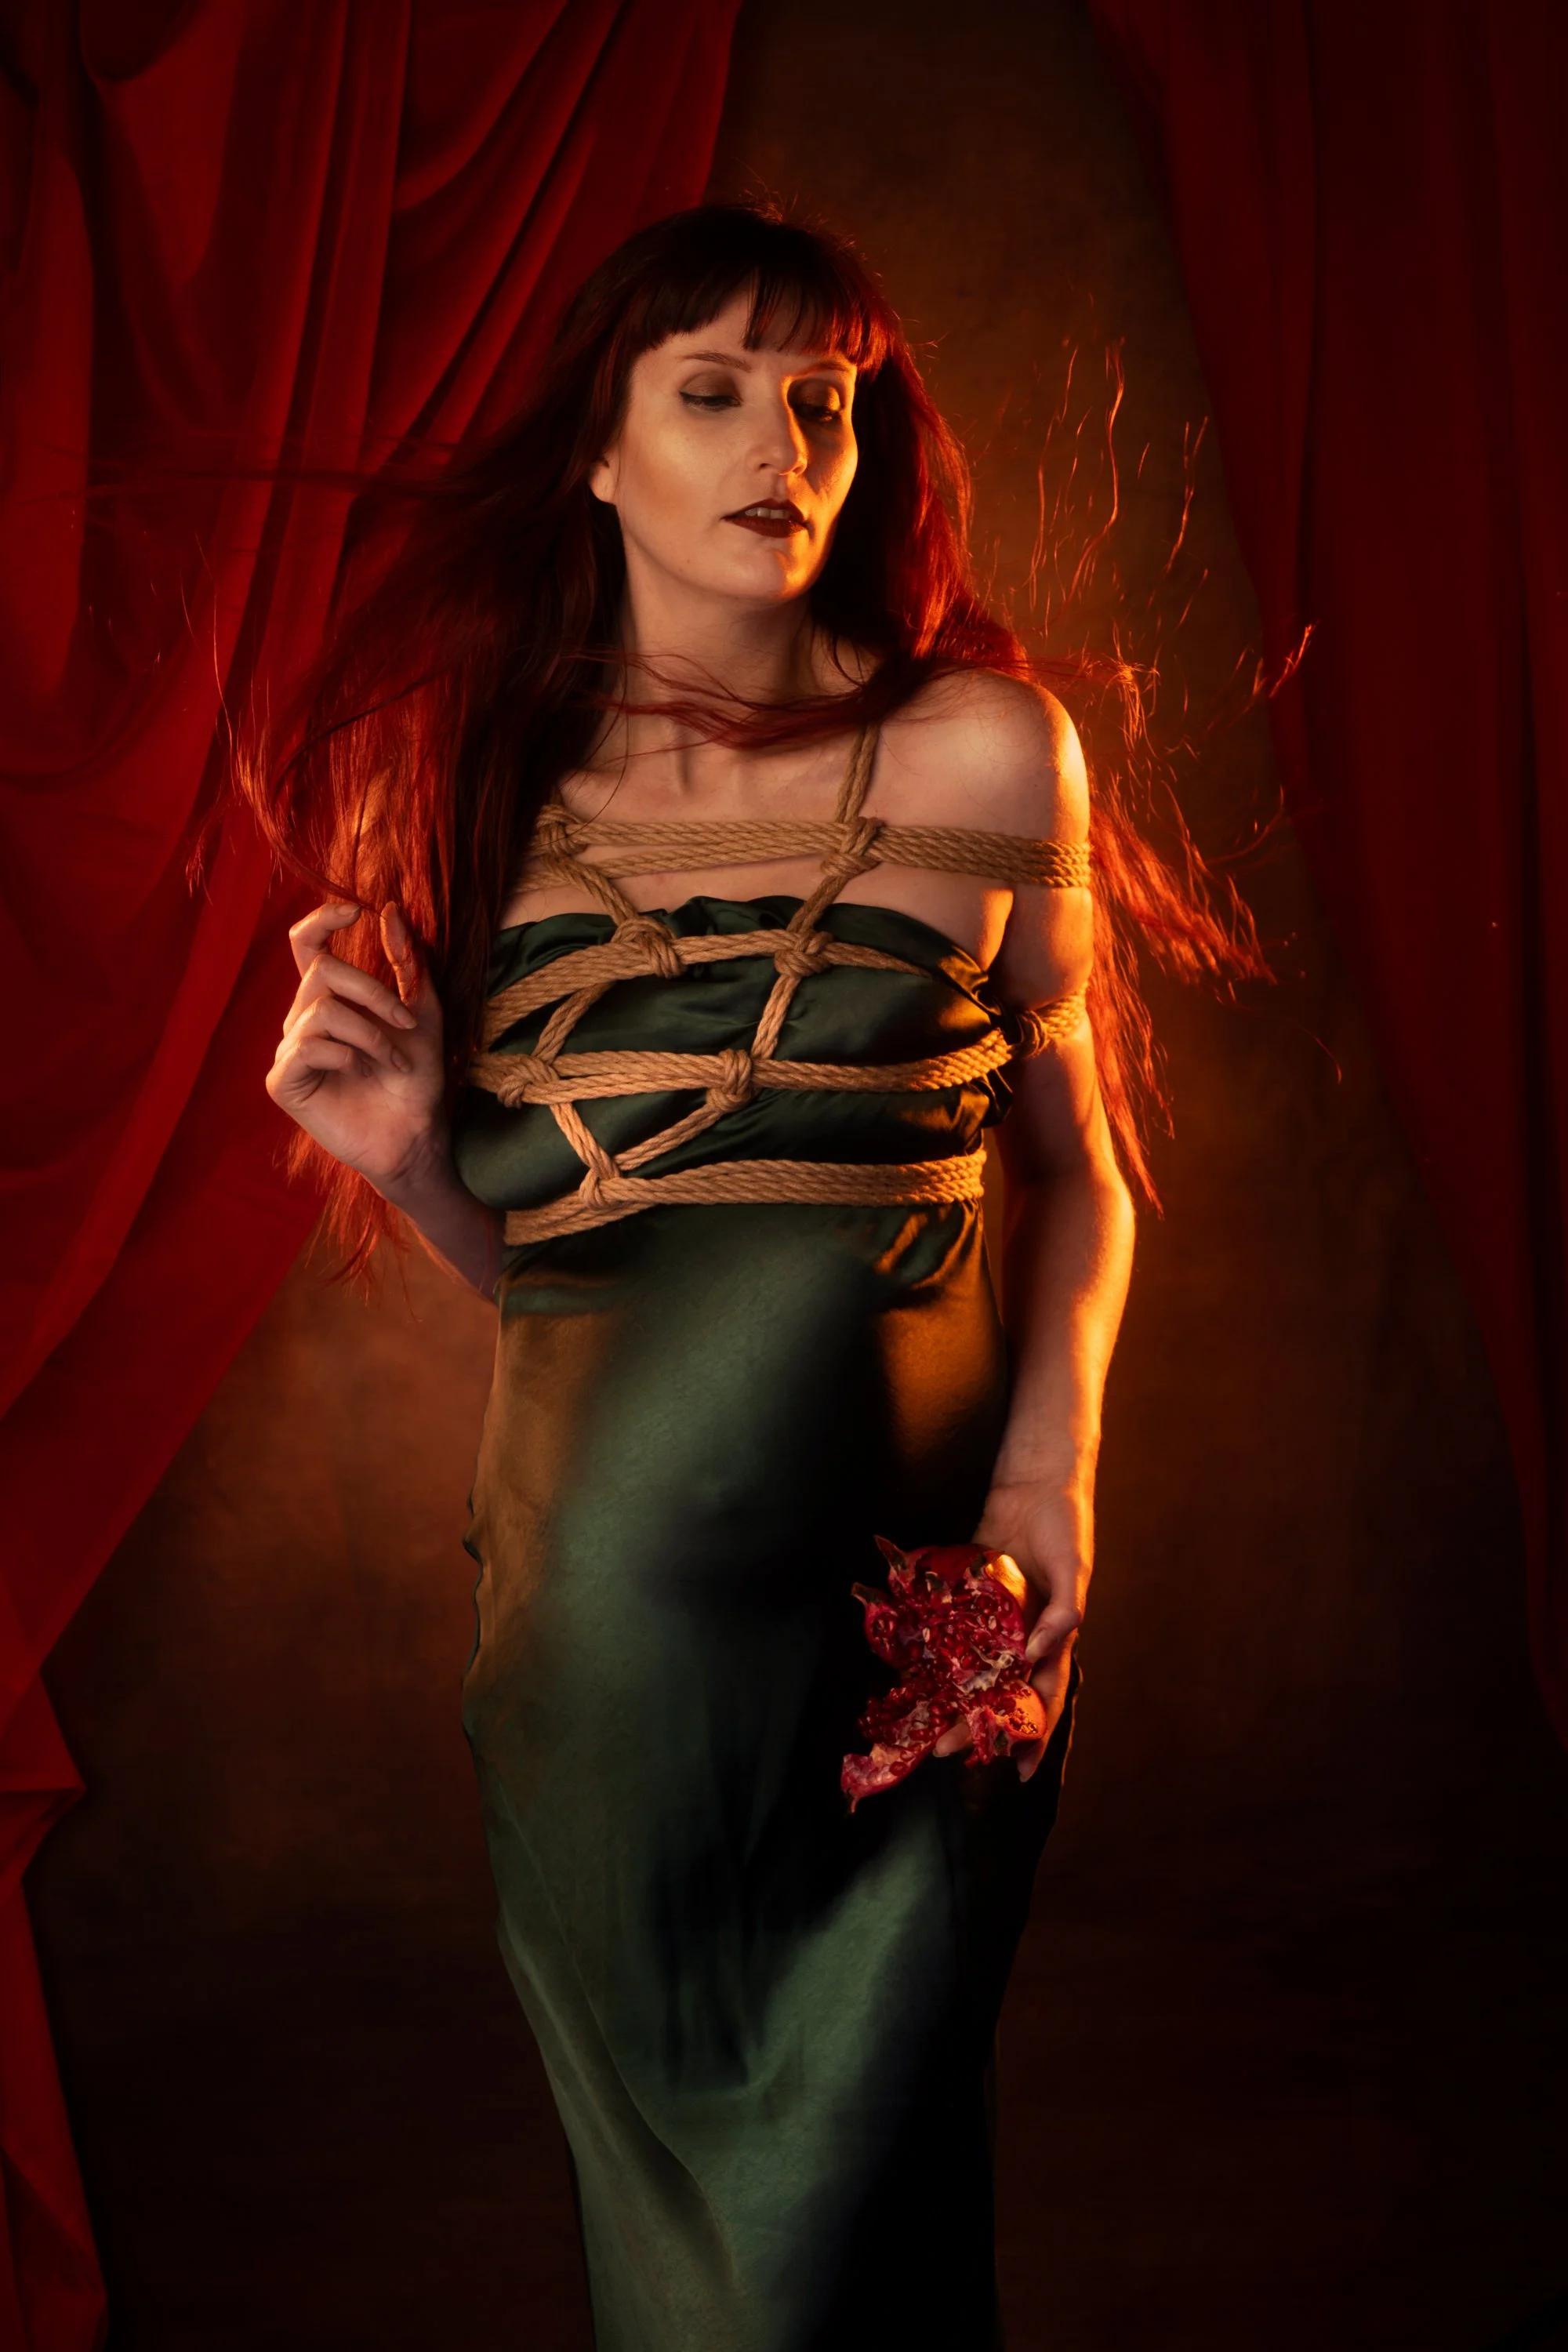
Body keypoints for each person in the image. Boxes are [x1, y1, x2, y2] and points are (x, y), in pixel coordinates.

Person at [255, 205, 1241, 2350]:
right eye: (713, 393)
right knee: (703, 2294)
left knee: (839, 2251)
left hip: (914, 1642)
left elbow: (1082, 1173)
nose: (786, 446)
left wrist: (1049, 1485)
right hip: (596, 1665)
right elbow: (571, 1293)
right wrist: (411, 1161)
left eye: (827, 401)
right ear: (598, 452)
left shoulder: (984, 752)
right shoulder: (484, 797)